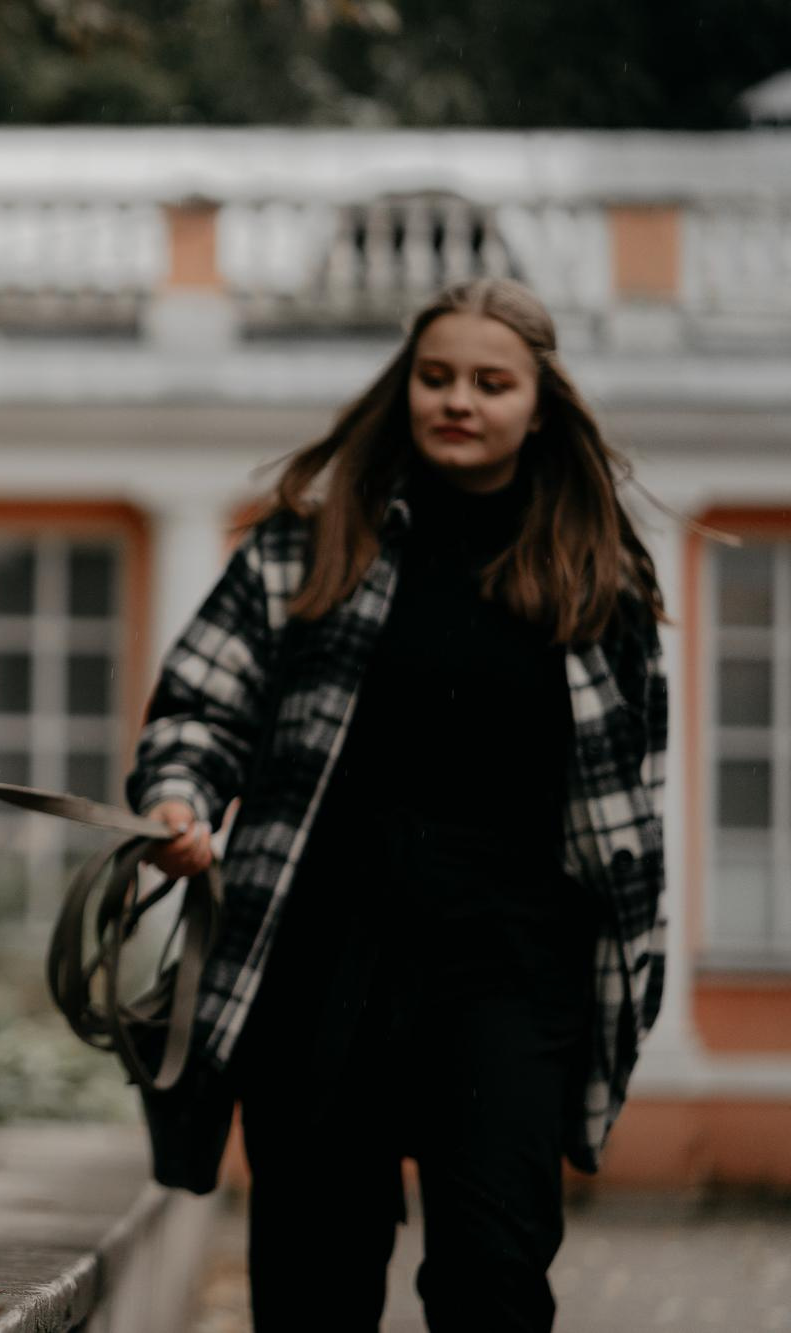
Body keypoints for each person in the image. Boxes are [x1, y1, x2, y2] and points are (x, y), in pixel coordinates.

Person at [126, 278, 668, 1332]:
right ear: (403, 389)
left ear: (539, 404)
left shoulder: (596, 575)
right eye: (434, 377)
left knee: (492, 1281)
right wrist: (179, 799)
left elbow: (623, 805)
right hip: (319, 967)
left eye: (488, 382)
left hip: (508, 972)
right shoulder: (305, 547)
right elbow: (197, 703)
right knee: (312, 1284)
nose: (456, 400)